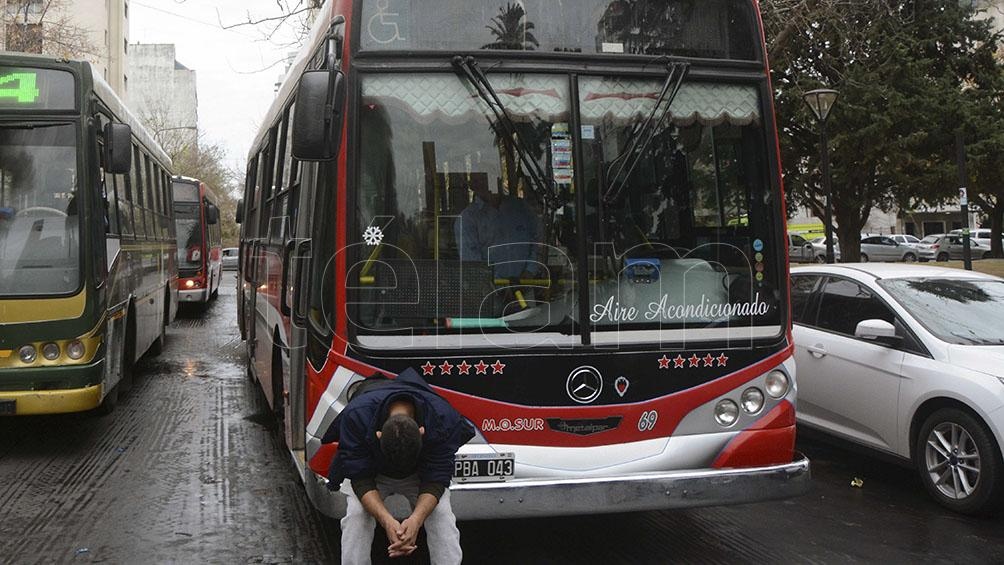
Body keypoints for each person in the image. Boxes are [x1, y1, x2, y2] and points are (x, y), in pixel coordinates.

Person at [322, 368, 475, 565]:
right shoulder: (357, 416)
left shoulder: (443, 419)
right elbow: (360, 478)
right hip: (374, 472)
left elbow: (436, 477)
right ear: (378, 435)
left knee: (441, 515)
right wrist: (387, 521)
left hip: (419, 473)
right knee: (356, 516)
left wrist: (416, 520)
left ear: (422, 432)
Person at [454, 174, 542, 281]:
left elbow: (539, 240)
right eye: (480, 180)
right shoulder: (468, 219)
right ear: (472, 185)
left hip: (526, 286)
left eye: (490, 178)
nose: (487, 184)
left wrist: (530, 271)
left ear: (499, 179)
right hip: (488, 292)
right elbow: (472, 263)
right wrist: (499, 284)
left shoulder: (521, 208)